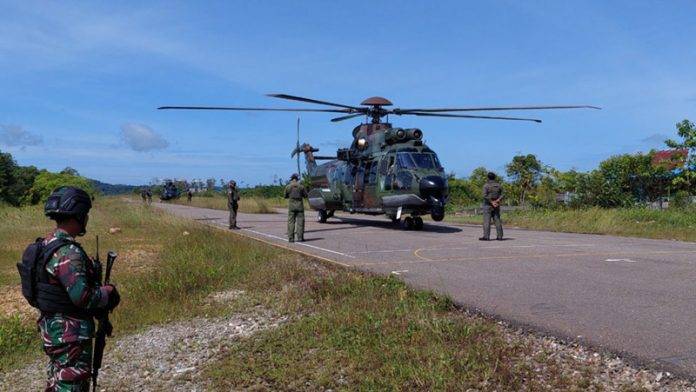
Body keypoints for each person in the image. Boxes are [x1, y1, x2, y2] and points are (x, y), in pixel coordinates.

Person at [33, 187, 120, 391]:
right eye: (85, 214)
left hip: (53, 331)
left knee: (57, 382)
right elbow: (82, 297)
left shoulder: (47, 243)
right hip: (70, 335)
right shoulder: (67, 251)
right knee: (72, 384)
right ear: (79, 215)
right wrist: (108, 292)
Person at [480, 172, 504, 241]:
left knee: (487, 221)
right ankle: (500, 236)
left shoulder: (486, 185)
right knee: (497, 220)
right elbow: (503, 194)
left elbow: (484, 196)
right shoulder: (499, 185)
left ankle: (486, 236)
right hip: (496, 205)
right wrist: (497, 201)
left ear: (488, 177)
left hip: (487, 205)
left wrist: (491, 202)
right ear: (495, 177)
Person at [285, 173, 308, 242]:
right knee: (300, 222)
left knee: (291, 222)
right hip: (300, 206)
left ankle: (291, 238)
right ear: (297, 179)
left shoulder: (288, 187)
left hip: (291, 207)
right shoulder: (301, 187)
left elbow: (285, 196)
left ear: (291, 179)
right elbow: (305, 196)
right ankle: (300, 238)